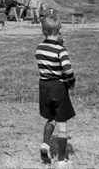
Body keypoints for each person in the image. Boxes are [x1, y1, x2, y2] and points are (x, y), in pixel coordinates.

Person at [35, 13, 76, 167]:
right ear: (59, 29)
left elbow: (45, 62)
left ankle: (46, 144)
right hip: (58, 87)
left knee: (51, 118)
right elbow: (68, 70)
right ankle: (61, 159)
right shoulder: (61, 50)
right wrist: (71, 82)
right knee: (62, 123)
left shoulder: (39, 48)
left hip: (44, 87)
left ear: (43, 31)